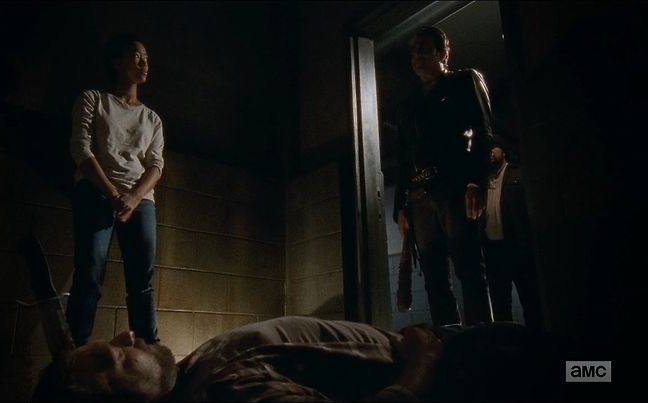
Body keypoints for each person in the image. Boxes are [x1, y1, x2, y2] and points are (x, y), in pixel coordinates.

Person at [32, 315, 567, 402]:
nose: (126, 335)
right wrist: (423, 361)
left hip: (459, 355)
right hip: (468, 372)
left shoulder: (197, 372)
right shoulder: (226, 393)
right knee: (586, 373)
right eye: (114, 356)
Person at [66, 34, 165, 346]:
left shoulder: (152, 118)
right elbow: (81, 150)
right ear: (116, 62)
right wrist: (113, 194)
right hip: (96, 193)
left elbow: (156, 165)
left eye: (146, 58)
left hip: (140, 201)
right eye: (137, 56)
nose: (145, 63)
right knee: (89, 272)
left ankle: (149, 353)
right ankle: (75, 352)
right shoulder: (93, 100)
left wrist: (134, 197)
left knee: (142, 281)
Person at [393, 26, 494, 326]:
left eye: (424, 49)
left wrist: (476, 180)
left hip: (454, 187)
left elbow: (482, 131)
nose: (417, 56)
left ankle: (483, 341)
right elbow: (402, 156)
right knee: (434, 278)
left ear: (443, 53)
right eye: (414, 51)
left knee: (469, 268)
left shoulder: (463, 81)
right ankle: (450, 342)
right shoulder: (409, 104)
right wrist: (401, 206)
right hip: (419, 195)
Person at [481, 140, 544, 328]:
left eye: (495, 147)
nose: (491, 152)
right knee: (500, 307)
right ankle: (508, 342)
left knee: (530, 300)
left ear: (504, 151)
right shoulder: (484, 180)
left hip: (516, 247)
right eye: (489, 149)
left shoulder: (517, 173)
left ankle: (536, 339)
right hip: (493, 250)